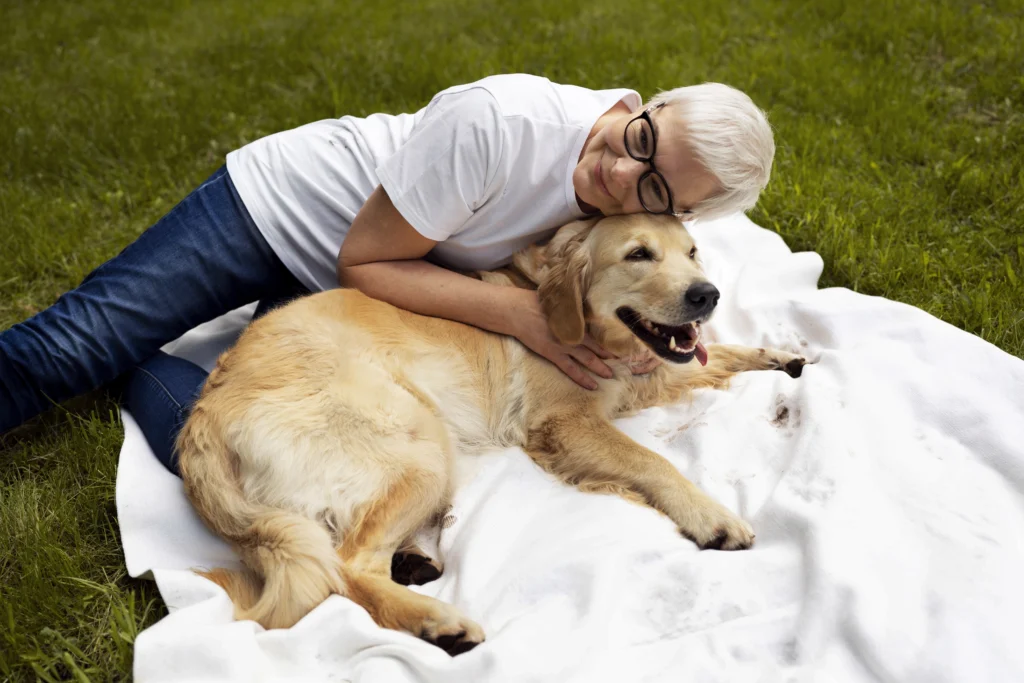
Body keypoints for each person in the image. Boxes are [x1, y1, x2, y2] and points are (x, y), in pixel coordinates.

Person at [0, 73, 775, 474]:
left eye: (656, 188)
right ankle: (124, 346)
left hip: (356, 290)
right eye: (641, 137)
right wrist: (521, 317)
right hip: (278, 215)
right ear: (651, 102)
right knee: (71, 347)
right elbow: (364, 259)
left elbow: (614, 287)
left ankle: (143, 360)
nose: (619, 167)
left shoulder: (626, 219)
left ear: (686, 216)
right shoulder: (503, 122)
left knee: (257, 439)